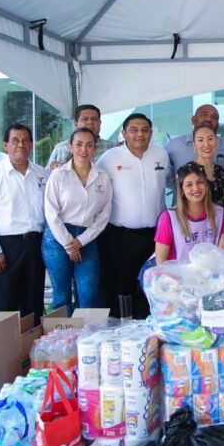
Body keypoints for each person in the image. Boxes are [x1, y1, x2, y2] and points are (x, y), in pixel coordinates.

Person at [0, 124, 48, 323]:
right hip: (5, 247)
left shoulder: (42, 174)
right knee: (4, 307)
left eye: (25, 140)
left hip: (35, 246)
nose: (20, 145)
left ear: (31, 144)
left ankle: (31, 342)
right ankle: (6, 344)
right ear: (5, 145)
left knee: (33, 306)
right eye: (15, 140)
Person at [95, 114, 169, 318]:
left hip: (155, 236)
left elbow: (169, 183)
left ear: (151, 133)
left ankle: (148, 326)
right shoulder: (109, 158)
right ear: (124, 133)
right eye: (134, 130)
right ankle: (121, 328)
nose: (140, 134)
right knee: (121, 285)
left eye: (145, 130)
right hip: (120, 236)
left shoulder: (161, 155)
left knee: (152, 286)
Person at [43, 127, 112, 309]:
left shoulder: (103, 177)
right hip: (58, 237)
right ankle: (64, 328)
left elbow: (104, 214)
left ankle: (85, 328)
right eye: (79, 144)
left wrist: (81, 241)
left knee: (89, 293)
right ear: (70, 147)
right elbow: (51, 212)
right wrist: (68, 243)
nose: (83, 149)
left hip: (87, 237)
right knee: (62, 294)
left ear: (94, 148)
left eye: (89, 145)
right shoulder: (58, 175)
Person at [155, 162, 224, 263]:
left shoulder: (219, 213)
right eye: (189, 185)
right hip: (178, 272)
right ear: (181, 190)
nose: (195, 188)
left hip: (212, 272)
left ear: (206, 185)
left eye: (200, 182)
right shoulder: (168, 218)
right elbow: (161, 261)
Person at [165, 103, 224, 173]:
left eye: (214, 117)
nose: (209, 119)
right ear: (193, 120)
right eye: (204, 115)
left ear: (218, 124)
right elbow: (166, 176)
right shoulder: (174, 146)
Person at [47, 104, 116, 169]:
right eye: (85, 119)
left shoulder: (112, 147)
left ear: (100, 123)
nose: (90, 122)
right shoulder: (61, 148)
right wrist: (53, 168)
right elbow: (46, 174)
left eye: (94, 119)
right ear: (76, 124)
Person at [191, 124, 224, 207]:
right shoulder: (186, 171)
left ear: (216, 143)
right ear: (194, 146)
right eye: (200, 140)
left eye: (210, 139)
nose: (206, 144)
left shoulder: (221, 171)